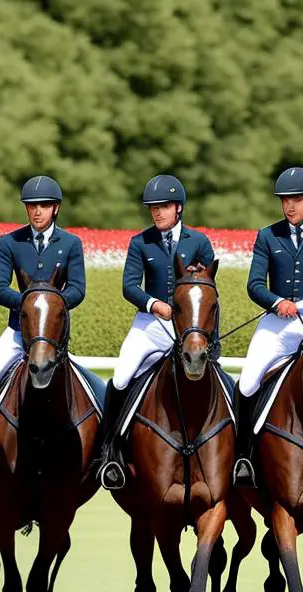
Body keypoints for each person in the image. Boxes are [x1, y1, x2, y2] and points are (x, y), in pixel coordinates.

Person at [98, 174, 216, 490]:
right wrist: (153, 304)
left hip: (187, 326)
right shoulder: (141, 242)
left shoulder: (199, 242)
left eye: (163, 207)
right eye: (153, 208)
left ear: (178, 208)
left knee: (215, 376)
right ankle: (110, 451)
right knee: (121, 376)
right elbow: (128, 286)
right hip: (149, 325)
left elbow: (208, 291)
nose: (157, 212)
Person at [233, 167, 303, 487]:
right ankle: (244, 455)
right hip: (275, 323)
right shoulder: (268, 236)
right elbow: (254, 284)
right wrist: (275, 302)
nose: (289, 206)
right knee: (248, 383)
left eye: (296, 200)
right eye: (285, 201)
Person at [0, 175, 86, 407]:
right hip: (18, 331)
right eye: (32, 205)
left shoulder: (71, 243)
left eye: (44, 205)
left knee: (87, 383)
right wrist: (28, 302)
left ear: (56, 208)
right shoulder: (10, 242)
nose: (37, 211)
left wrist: (52, 305)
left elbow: (78, 289)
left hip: (55, 335)